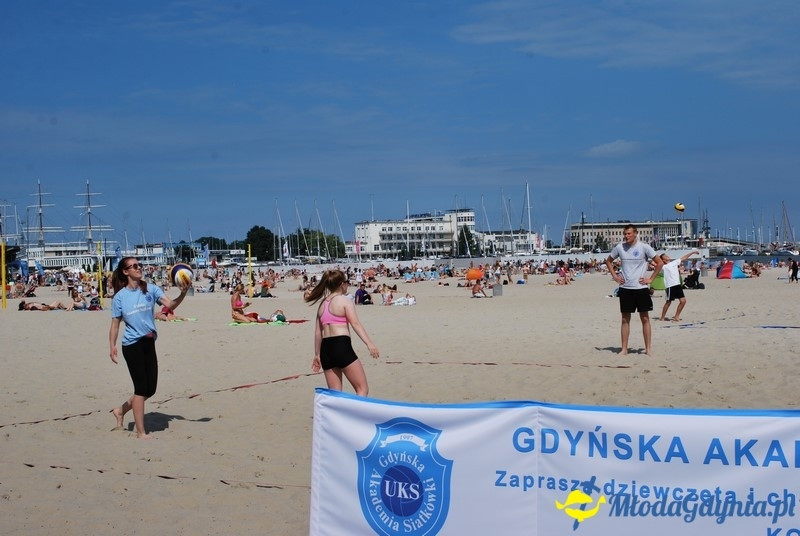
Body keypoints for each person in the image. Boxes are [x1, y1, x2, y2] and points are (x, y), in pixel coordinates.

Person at [108, 257, 189, 439]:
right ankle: (140, 432)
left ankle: (120, 410)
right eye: (134, 266)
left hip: (148, 342)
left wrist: (183, 293)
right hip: (131, 344)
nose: (138, 268)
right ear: (125, 271)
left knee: (150, 389)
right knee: (140, 388)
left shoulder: (150, 289)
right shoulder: (120, 297)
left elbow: (170, 305)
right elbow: (115, 324)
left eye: (139, 265)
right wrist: (112, 346)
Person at [304, 270, 379, 396]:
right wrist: (369, 343)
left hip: (325, 350)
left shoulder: (322, 305)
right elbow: (355, 324)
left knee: (335, 395)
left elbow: (318, 333)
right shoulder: (344, 301)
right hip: (341, 345)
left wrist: (317, 355)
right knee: (362, 389)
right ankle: (355, 416)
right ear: (342, 284)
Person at [605, 224, 663, 356]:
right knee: (625, 319)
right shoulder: (620, 247)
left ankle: (648, 349)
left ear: (635, 233)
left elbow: (659, 262)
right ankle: (624, 348)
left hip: (641, 288)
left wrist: (651, 279)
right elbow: (608, 261)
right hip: (625, 288)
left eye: (629, 234)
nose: (626, 236)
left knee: (645, 318)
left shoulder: (644, 247)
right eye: (625, 234)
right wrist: (615, 276)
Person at [659, 249, 700, 322]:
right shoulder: (663, 266)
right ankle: (662, 317)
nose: (667, 256)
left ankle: (676, 316)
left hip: (677, 284)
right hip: (670, 286)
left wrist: (692, 252)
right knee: (668, 302)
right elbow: (653, 263)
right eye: (665, 256)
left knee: (683, 301)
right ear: (663, 260)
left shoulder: (674, 262)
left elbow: (684, 258)